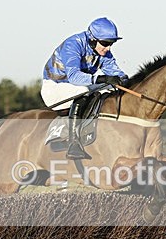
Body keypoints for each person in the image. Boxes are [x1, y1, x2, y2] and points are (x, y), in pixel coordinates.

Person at [41, 17, 129, 159]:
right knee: (85, 91)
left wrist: (124, 80)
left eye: (111, 44)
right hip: (55, 87)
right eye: (106, 43)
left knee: (109, 90)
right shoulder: (73, 44)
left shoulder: (102, 51)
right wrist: (102, 78)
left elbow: (115, 72)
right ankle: (74, 143)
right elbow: (74, 77)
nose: (108, 48)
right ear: (92, 39)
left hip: (79, 86)